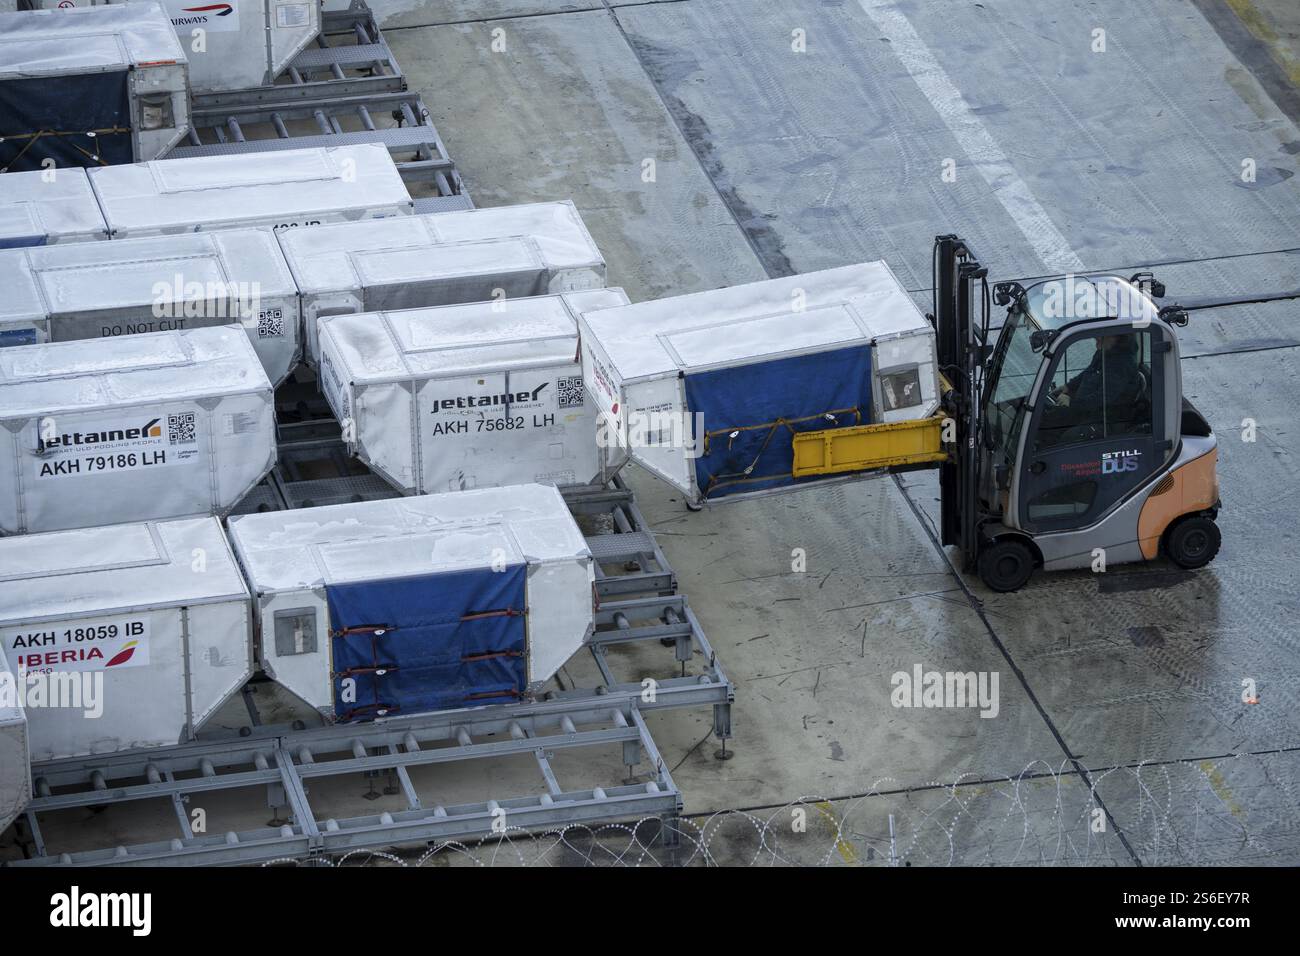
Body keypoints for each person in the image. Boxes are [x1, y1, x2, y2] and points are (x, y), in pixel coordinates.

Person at [1042, 334, 1143, 443]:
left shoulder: (1122, 365)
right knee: (1046, 414)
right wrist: (1069, 386)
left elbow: (1104, 398)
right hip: (1086, 408)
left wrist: (1072, 402)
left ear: (1117, 338)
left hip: (1105, 419)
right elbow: (1089, 371)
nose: (1096, 338)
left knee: (1068, 437)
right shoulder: (1105, 352)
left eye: (1101, 335)